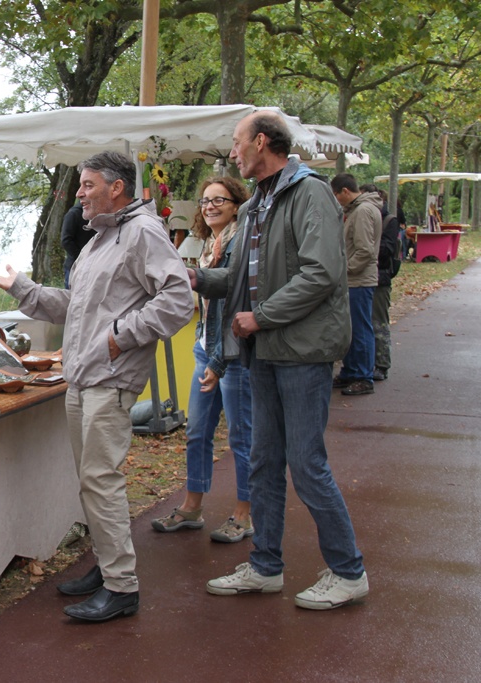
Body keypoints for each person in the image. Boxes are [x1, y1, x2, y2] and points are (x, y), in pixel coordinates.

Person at [0, 151, 192, 622]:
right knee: (90, 482)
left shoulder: (141, 232)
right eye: (81, 185)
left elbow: (179, 299)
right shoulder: (102, 239)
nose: (79, 194)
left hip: (110, 379)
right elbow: (77, 306)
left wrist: (122, 336)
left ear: (116, 188)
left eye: (87, 184)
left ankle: (122, 588)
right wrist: (21, 287)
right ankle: (106, 564)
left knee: (101, 481)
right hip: (81, 377)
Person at [194, 111, 368, 610]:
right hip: (265, 351)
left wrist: (261, 317)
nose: (232, 152)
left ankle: (348, 571)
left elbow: (321, 274)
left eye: (236, 142)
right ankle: (266, 567)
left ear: (262, 142)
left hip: (301, 352)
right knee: (265, 461)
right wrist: (198, 280)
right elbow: (240, 279)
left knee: (306, 464)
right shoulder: (255, 205)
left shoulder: (309, 193)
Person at [151, 176, 253, 543]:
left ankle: (244, 514)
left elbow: (238, 301)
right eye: (206, 200)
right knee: (197, 432)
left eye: (219, 200)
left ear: (237, 203)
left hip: (234, 354)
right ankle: (191, 507)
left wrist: (219, 360)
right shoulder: (211, 243)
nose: (210, 206)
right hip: (205, 347)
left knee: (242, 437)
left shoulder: (242, 242)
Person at [330, 173, 382, 396]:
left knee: (360, 329)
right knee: (350, 329)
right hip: (353, 280)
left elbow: (364, 251)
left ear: (344, 191)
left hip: (359, 281)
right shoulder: (356, 210)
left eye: (335, 195)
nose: (336, 199)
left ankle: (363, 376)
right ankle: (351, 371)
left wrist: (343, 270)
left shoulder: (362, 211)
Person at [360, 184, 401, 381]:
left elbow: (387, 250)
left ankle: (382, 363)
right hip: (363, 278)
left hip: (380, 278)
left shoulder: (389, 221)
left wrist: (365, 249)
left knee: (378, 323)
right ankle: (366, 363)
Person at [60, 202, 92, 287]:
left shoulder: (97, 213)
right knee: (71, 297)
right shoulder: (73, 214)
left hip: (93, 266)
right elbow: (66, 241)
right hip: (74, 266)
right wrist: (81, 257)